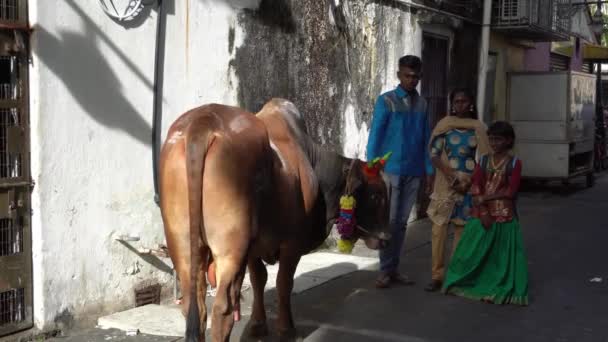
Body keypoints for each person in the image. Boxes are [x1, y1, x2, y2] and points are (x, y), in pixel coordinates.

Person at [442, 121, 529, 305]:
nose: (494, 143)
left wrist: (485, 199)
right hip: (482, 214)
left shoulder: (514, 163)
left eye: (498, 139)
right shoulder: (483, 160)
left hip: (504, 217)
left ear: (508, 141)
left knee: (500, 258)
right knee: (468, 253)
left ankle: (495, 287)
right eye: (491, 139)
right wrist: (482, 210)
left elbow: (510, 192)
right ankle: (462, 281)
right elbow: (476, 186)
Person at [366, 55, 433, 288]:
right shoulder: (386, 101)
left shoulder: (423, 104)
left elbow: (426, 139)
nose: (411, 80)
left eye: (416, 77)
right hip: (390, 171)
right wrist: (371, 168)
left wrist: (429, 171)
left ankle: (393, 269)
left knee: (403, 223)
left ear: (420, 77)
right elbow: (375, 135)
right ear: (399, 75)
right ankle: (385, 270)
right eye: (407, 75)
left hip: (414, 170)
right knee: (390, 222)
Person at [424, 89, 490, 292]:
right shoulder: (444, 126)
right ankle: (437, 275)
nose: (460, 105)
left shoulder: (478, 128)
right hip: (446, 184)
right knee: (438, 230)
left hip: (468, 186)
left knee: (462, 231)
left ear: (471, 104)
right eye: (457, 101)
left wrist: (470, 182)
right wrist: (451, 175)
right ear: (452, 104)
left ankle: (454, 275)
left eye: (464, 101)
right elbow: (434, 154)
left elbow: (485, 158)